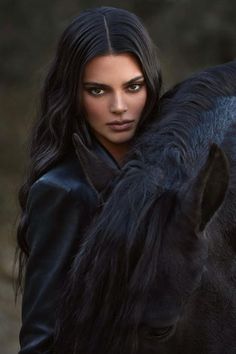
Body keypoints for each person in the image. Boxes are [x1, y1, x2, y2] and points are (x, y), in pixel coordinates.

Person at [16, 6, 162, 354]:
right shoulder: (60, 191)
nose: (119, 106)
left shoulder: (172, 174)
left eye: (133, 86)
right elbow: (40, 340)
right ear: (74, 95)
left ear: (151, 85)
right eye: (98, 90)